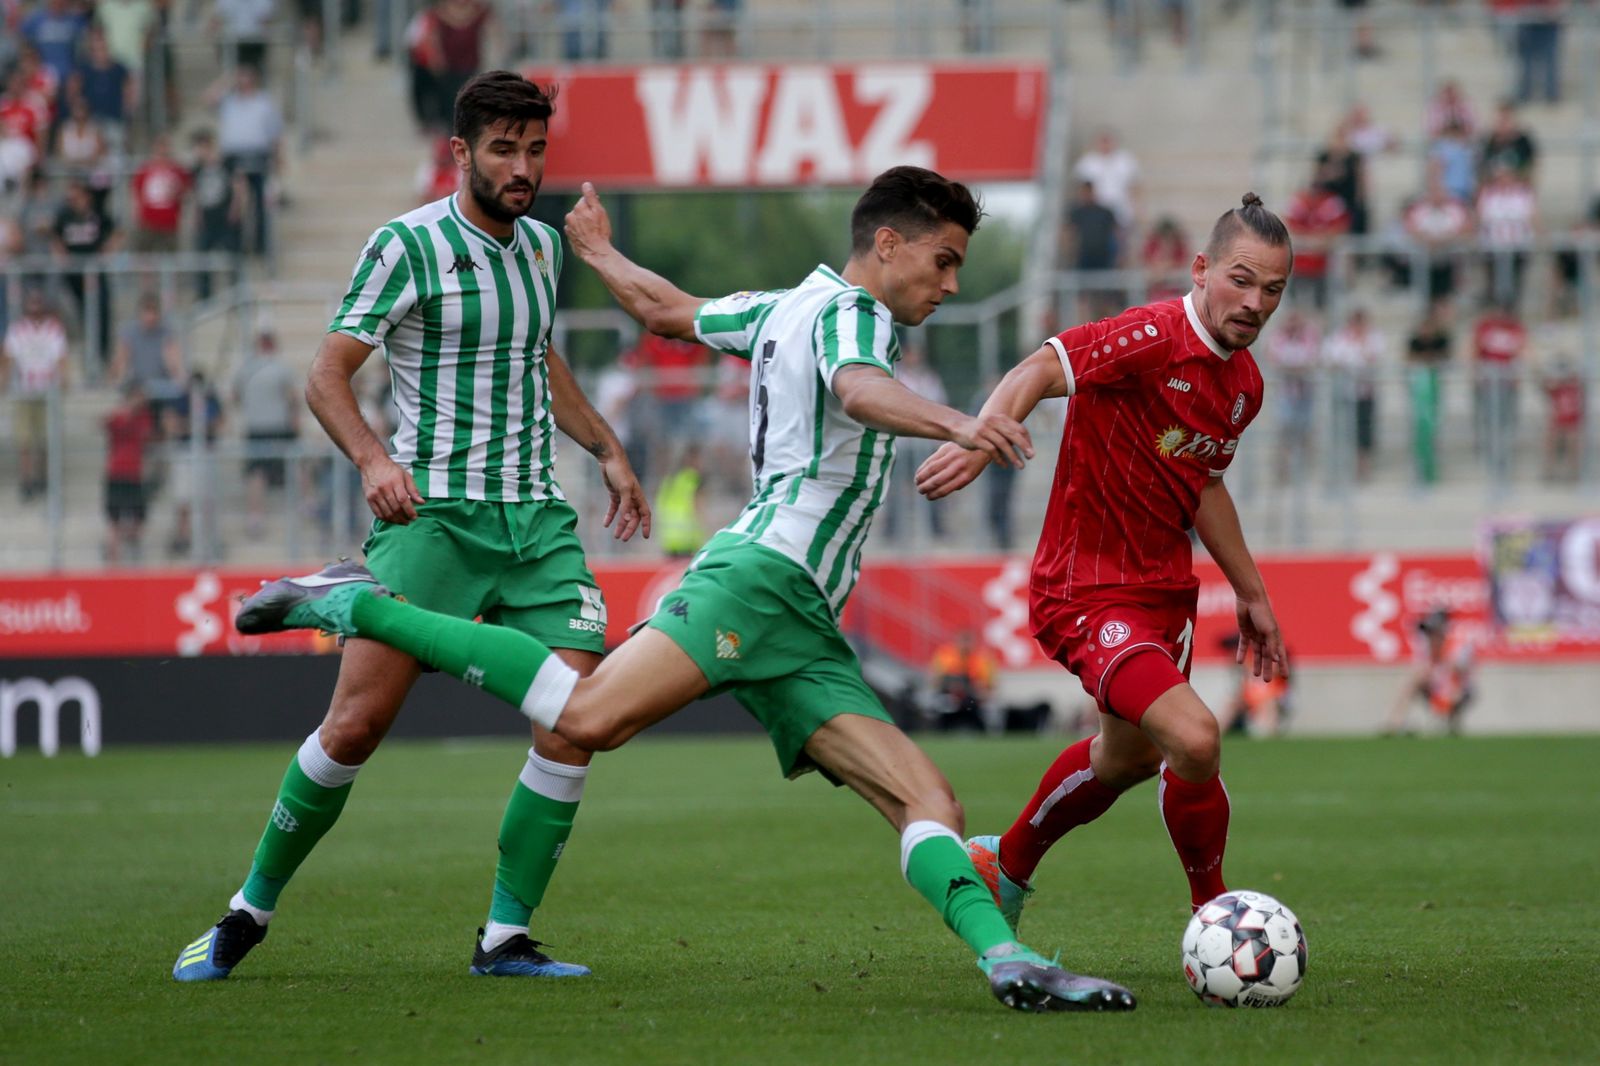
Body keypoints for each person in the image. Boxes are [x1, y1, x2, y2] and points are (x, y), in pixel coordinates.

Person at [231, 164, 1137, 1014]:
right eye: (943, 262)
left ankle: (1012, 965)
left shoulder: (787, 306)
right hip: (755, 584)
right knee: (585, 721)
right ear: (888, 243)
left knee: (928, 803)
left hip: (803, 622)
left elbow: (663, 310)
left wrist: (596, 252)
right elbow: (859, 391)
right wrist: (964, 423)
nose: (949, 285)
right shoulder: (857, 315)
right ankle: (357, 604)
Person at [171, 72, 651, 985]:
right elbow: (326, 375)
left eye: (536, 150)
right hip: (433, 517)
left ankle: (504, 937)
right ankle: (244, 915)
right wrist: (373, 462)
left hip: (539, 527)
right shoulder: (407, 245)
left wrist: (606, 446)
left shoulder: (543, 249)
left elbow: (536, 358)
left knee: (577, 723)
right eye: (504, 150)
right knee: (354, 727)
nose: (523, 169)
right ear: (462, 152)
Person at [914, 193, 1292, 931]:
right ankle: (1215, 917)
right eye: (1241, 280)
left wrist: (1252, 591)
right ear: (1202, 268)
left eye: (1273, 290)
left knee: (1126, 761)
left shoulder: (1243, 385)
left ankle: (1004, 866)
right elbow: (1042, 366)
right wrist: (979, 434)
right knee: (1195, 736)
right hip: (1087, 589)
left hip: (1164, 596)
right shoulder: (1150, 336)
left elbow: (1205, 480)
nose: (1255, 303)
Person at [1, 287, 70, 501]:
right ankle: (27, 479)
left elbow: (61, 359)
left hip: (46, 392)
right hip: (24, 390)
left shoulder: (53, 329)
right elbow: (8, 358)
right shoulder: (17, 330)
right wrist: (3, 382)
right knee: (25, 439)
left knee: (45, 438)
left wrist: (63, 381)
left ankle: (43, 477)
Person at [1382, 608, 1474, 735]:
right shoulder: (1427, 649)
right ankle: (1395, 723)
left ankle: (1450, 725)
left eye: (1433, 632)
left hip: (1456, 692)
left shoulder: (1457, 646)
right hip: (1437, 690)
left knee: (1456, 690)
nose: (1430, 637)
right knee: (1415, 677)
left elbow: (1463, 675)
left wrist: (1446, 669)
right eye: (1428, 633)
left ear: (1442, 632)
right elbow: (1423, 672)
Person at [927, 630, 997, 733]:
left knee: (984, 707)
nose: (966, 646)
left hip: (973, 696)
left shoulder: (982, 659)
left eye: (968, 642)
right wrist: (952, 686)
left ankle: (984, 730)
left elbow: (989, 685)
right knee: (941, 704)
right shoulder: (945, 656)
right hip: (949, 695)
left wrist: (978, 691)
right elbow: (935, 681)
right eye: (963, 642)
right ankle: (940, 730)